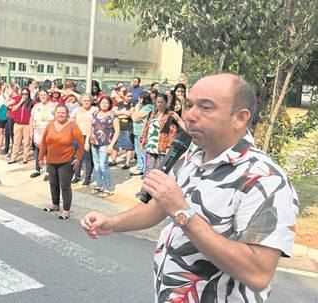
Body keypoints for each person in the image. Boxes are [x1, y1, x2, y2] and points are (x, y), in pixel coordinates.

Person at [81, 73, 299, 303]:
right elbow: (158, 208)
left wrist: (182, 212)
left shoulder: (265, 180)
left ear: (240, 118)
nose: (190, 115)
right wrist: (111, 223)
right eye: (189, 105)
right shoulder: (192, 158)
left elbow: (258, 273)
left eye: (205, 107)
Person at [38, 104, 84, 220]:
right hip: (51, 160)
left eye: (63, 112)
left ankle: (66, 210)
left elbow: (81, 144)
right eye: (59, 112)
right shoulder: (50, 125)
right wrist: (40, 157)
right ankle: (55, 205)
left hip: (66, 161)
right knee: (53, 184)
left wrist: (78, 158)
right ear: (55, 113)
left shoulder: (73, 126)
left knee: (65, 186)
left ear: (67, 114)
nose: (61, 114)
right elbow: (44, 143)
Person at [140, 93, 186, 176]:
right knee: (149, 170)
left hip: (163, 147)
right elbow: (147, 127)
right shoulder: (152, 114)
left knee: (160, 171)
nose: (159, 104)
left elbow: (175, 129)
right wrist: (143, 139)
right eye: (158, 102)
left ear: (166, 102)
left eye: (161, 102)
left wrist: (170, 145)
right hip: (151, 146)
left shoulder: (171, 114)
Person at [88, 96, 119, 197]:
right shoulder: (95, 113)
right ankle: (99, 185)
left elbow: (117, 131)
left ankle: (108, 187)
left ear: (110, 104)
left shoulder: (113, 115)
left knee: (103, 165)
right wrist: (89, 139)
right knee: (96, 165)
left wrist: (111, 145)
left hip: (105, 143)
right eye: (102, 102)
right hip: (94, 142)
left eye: (106, 103)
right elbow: (92, 127)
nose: (104, 104)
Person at [29, 90, 57, 177]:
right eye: (41, 95)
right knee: (37, 152)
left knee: (49, 152)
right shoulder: (36, 106)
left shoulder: (54, 105)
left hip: (49, 133)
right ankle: (37, 169)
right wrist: (31, 131)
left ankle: (49, 171)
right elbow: (32, 119)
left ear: (48, 95)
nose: (43, 96)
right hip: (37, 132)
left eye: (44, 95)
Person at [73, 95, 97, 185]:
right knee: (77, 157)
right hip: (77, 136)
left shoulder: (94, 110)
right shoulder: (77, 110)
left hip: (89, 136)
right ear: (81, 101)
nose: (86, 102)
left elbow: (94, 125)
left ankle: (87, 177)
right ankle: (77, 175)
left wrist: (88, 139)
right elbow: (72, 121)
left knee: (87, 158)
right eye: (84, 100)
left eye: (88, 100)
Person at [130, 93, 155, 176]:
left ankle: (144, 169)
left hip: (142, 132)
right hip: (137, 132)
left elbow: (135, 118)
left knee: (143, 151)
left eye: (140, 98)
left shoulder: (148, 107)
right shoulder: (142, 107)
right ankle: (140, 166)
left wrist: (135, 110)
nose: (139, 100)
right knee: (138, 150)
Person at [8, 87, 34, 164]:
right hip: (17, 124)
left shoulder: (32, 103)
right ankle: (13, 158)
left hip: (27, 125)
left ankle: (25, 158)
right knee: (16, 142)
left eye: (26, 94)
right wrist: (20, 102)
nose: (24, 95)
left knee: (26, 142)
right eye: (23, 94)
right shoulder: (18, 101)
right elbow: (13, 109)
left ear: (28, 94)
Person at [110, 91, 135, 169]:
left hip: (128, 128)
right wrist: (123, 113)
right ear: (124, 96)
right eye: (128, 96)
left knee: (129, 146)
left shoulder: (133, 104)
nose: (130, 97)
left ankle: (127, 163)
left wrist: (120, 113)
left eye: (131, 96)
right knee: (115, 145)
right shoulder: (119, 104)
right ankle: (113, 160)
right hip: (117, 127)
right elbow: (113, 112)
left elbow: (130, 114)